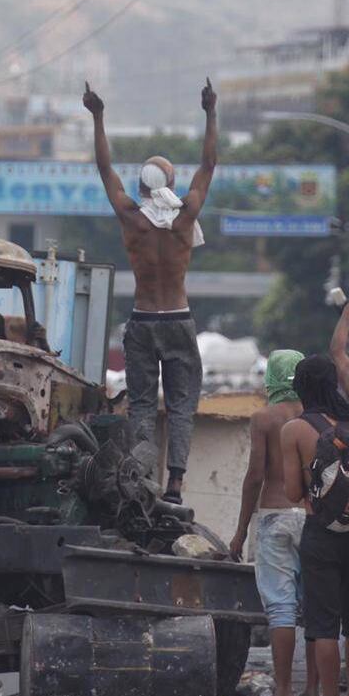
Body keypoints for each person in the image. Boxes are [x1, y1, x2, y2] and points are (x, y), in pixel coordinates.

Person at [83, 79, 217, 504]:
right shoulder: (184, 218)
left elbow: (105, 170)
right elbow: (209, 165)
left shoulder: (131, 218)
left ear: (141, 186)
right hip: (178, 319)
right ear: (170, 184)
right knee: (180, 405)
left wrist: (98, 116)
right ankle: (175, 482)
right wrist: (211, 112)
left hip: (142, 321)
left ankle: (139, 477)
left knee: (141, 404)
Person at [282, 356, 349, 696]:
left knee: (323, 625)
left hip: (320, 535)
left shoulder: (293, 430)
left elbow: (293, 492)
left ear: (303, 388)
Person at [229, 350, 321, 696]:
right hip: (313, 517)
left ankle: (283, 694)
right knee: (316, 609)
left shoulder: (264, 418)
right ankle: (313, 693)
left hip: (273, 516)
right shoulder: (316, 419)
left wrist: (238, 533)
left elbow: (254, 477)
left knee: (281, 610)